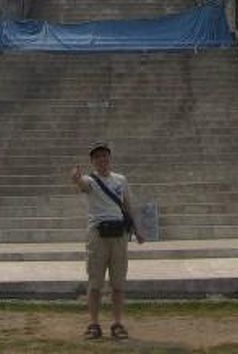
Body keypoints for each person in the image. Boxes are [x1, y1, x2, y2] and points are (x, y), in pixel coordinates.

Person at [71, 141, 145, 340]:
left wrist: (137, 230)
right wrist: (76, 178)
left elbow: (128, 206)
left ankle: (117, 323)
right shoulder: (90, 181)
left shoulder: (121, 180)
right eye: (97, 157)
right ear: (93, 161)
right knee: (95, 282)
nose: (102, 159)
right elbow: (81, 184)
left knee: (118, 283)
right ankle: (94, 323)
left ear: (109, 158)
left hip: (119, 233)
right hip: (98, 234)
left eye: (105, 155)